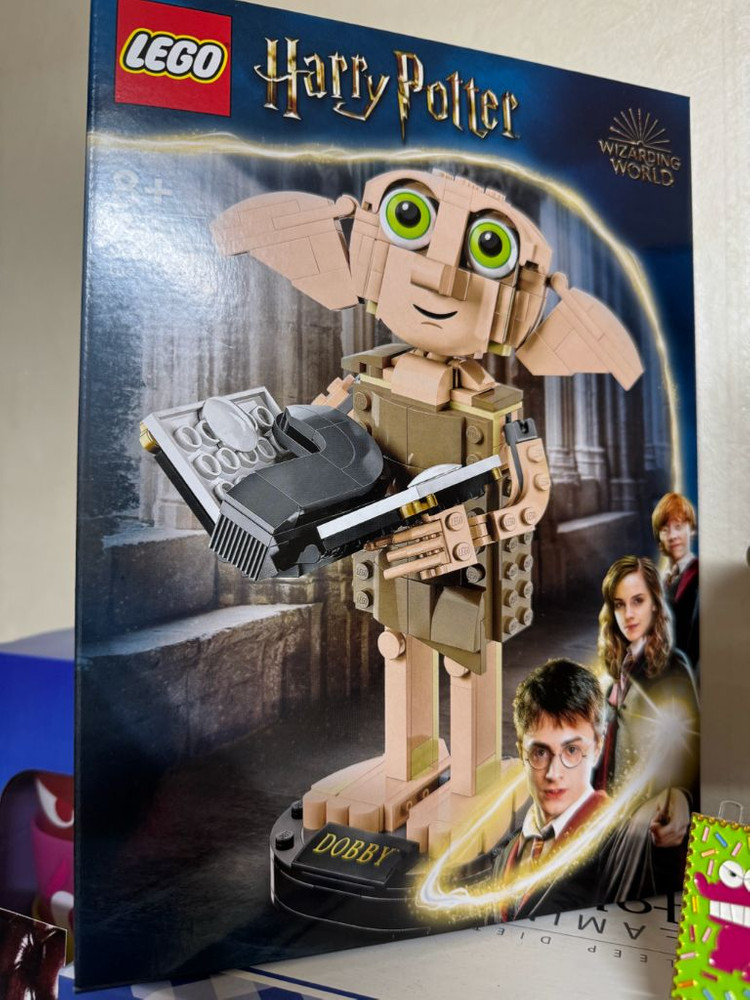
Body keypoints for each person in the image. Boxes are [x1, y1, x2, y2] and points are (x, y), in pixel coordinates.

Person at [595, 555, 699, 896]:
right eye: (619, 604)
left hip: (649, 835)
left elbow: (693, 750)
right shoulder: (621, 667)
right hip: (612, 819)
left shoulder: (673, 669)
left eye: (638, 601)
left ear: (655, 603)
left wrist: (680, 797)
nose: (629, 614)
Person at [494, 659, 614, 920]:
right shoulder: (506, 856)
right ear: (521, 752)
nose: (553, 773)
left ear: (597, 748)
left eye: (571, 750)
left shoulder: (619, 844)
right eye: (540, 752)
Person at [652, 492, 699, 674]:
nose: (672, 536)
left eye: (678, 527)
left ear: (691, 529)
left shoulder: (699, 577)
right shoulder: (661, 581)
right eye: (665, 530)